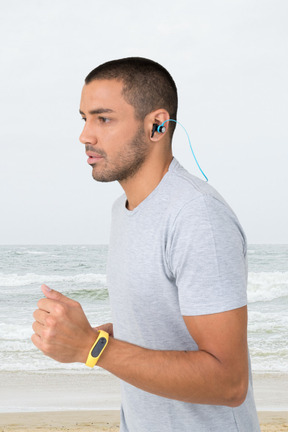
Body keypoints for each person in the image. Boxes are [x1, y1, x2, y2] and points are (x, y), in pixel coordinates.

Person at [32, 57, 260, 431]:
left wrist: (92, 347)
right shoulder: (123, 210)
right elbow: (157, 329)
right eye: (84, 118)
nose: (85, 135)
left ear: (156, 125)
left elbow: (229, 382)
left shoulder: (196, 216)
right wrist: (78, 334)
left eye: (103, 119)